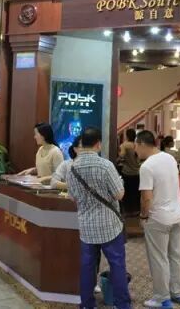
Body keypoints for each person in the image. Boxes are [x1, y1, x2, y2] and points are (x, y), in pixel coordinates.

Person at [67, 127, 131, 309]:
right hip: (109, 225)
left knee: (87, 266)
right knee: (117, 265)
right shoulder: (106, 165)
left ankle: (87, 304)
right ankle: (122, 305)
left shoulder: (72, 167)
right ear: (98, 144)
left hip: (86, 226)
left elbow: (72, 197)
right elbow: (119, 195)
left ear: (82, 143)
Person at [136, 130, 180, 308]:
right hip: (177, 215)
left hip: (158, 218)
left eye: (136, 146)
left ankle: (162, 298)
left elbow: (147, 198)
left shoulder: (147, 167)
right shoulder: (169, 158)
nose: (135, 151)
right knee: (176, 255)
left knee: (158, 258)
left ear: (142, 144)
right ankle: (178, 292)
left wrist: (143, 216)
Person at [118, 128, 140, 215]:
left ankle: (128, 211)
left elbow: (121, 156)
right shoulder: (137, 145)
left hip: (127, 172)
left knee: (127, 192)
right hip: (137, 172)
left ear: (127, 136)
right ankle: (136, 210)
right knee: (136, 192)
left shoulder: (124, 145)